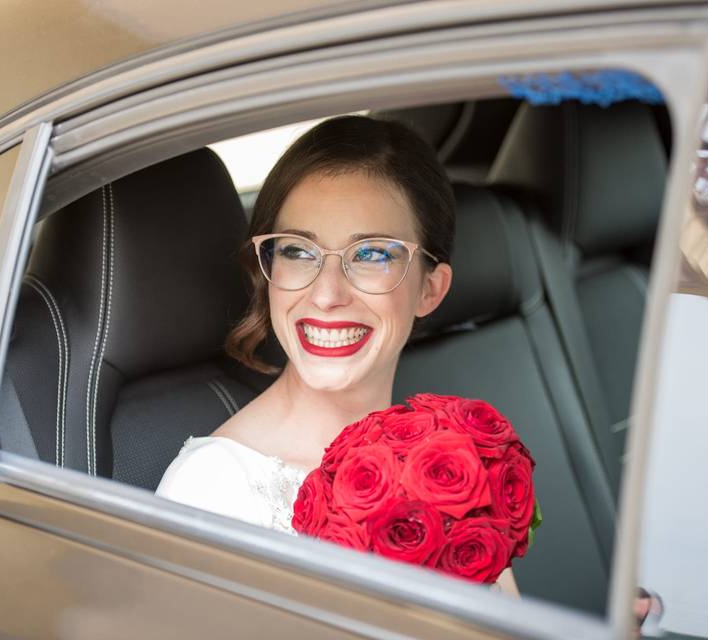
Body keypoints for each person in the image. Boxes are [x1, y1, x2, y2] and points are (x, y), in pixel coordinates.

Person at [155, 114, 519, 594]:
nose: (326, 295)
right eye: (298, 251)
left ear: (431, 289)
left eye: (370, 254)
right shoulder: (211, 492)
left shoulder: (446, 466)